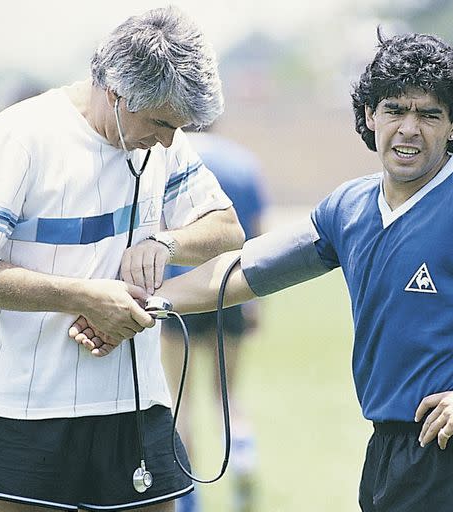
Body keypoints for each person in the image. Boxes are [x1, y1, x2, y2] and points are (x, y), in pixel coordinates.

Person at [76, 31, 453, 511]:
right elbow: (246, 269)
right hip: (386, 451)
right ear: (370, 115)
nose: (409, 128)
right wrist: (145, 302)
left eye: (429, 114)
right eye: (394, 110)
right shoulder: (350, 206)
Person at [0, 7, 245, 512]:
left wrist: (166, 243)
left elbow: (226, 227)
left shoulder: (165, 140)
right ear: (116, 92)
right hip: (23, 407)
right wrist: (84, 296)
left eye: (179, 126)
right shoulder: (19, 136)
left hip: (135, 400)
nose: (170, 139)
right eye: (161, 123)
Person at [161, 129, 267, 512]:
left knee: (180, 402)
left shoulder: (170, 161)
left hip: (182, 294)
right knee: (227, 395)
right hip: (232, 292)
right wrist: (256, 301)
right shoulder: (242, 162)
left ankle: (189, 499)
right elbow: (255, 235)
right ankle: (242, 457)